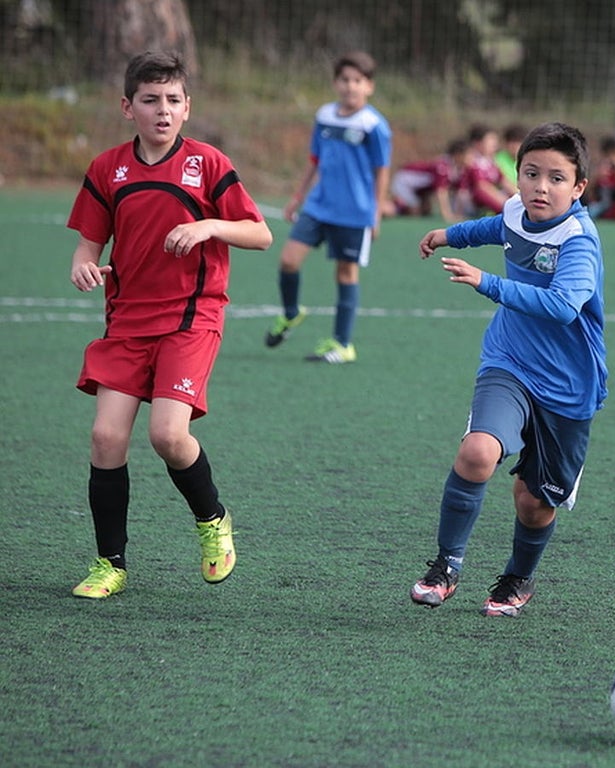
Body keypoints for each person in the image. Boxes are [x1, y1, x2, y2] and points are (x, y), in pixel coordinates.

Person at [66, 51, 273, 598]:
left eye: (173, 101)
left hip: (190, 318)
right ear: (127, 107)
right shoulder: (107, 168)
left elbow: (259, 233)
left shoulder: (207, 164)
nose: (163, 110)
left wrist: (207, 226)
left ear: (187, 109)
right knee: (106, 437)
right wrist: (84, 265)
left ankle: (212, 520)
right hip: (128, 320)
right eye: (151, 100)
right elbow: (88, 244)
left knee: (167, 435)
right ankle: (110, 563)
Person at [409, 122, 607, 617]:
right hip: (509, 360)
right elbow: (496, 228)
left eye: (557, 178)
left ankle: (518, 578)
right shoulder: (518, 210)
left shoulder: (579, 240)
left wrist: (486, 283)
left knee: (533, 502)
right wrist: (448, 233)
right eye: (531, 173)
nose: (542, 187)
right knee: (477, 452)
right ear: (515, 175)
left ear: (579, 187)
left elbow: (563, 306)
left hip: (568, 385)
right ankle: (446, 565)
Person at [264, 51, 394, 364]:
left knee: (346, 273)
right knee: (288, 261)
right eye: (345, 80)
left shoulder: (374, 125)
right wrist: (298, 196)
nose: (350, 86)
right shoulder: (324, 116)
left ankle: (342, 344)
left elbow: (382, 170)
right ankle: (291, 313)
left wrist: (375, 213)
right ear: (336, 83)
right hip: (319, 205)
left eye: (357, 81)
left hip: (355, 212)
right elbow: (315, 160)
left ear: (369, 86)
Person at [391, 138, 467, 223]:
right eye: (469, 154)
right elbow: (441, 193)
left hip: (419, 189)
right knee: (414, 212)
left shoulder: (458, 168)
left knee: (426, 211)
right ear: (458, 154)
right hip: (403, 182)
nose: (471, 157)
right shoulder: (443, 165)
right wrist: (448, 215)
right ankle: (390, 207)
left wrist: (457, 213)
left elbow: (460, 192)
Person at [458, 123, 517, 217]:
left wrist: (520, 197)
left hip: (489, 199)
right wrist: (505, 202)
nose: (494, 145)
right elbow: (482, 186)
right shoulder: (472, 161)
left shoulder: (490, 162)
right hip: (469, 203)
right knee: (481, 191)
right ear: (477, 143)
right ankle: (508, 210)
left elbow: (504, 181)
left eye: (495, 141)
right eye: (490, 141)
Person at [494, 123, 527, 189]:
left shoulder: (527, 160)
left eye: (518, 142)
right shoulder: (497, 159)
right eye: (513, 143)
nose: (515, 147)